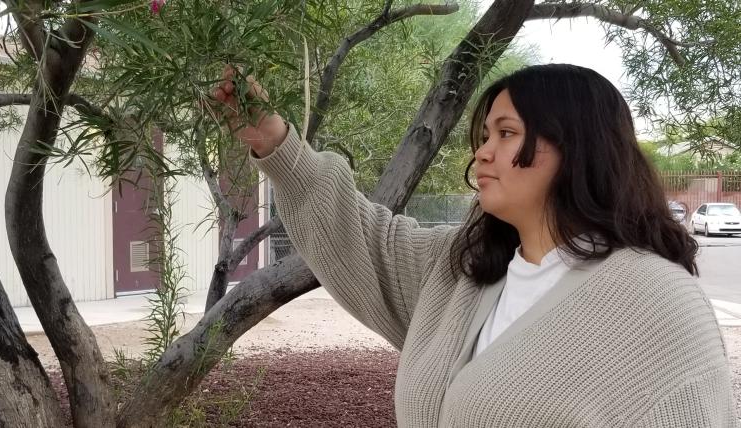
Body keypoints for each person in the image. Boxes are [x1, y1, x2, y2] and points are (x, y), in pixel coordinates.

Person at [213, 63, 739, 427]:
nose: (483, 153)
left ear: (576, 147)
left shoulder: (655, 301)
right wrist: (274, 142)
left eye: (506, 133)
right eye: (484, 135)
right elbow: (364, 240)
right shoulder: (463, 273)